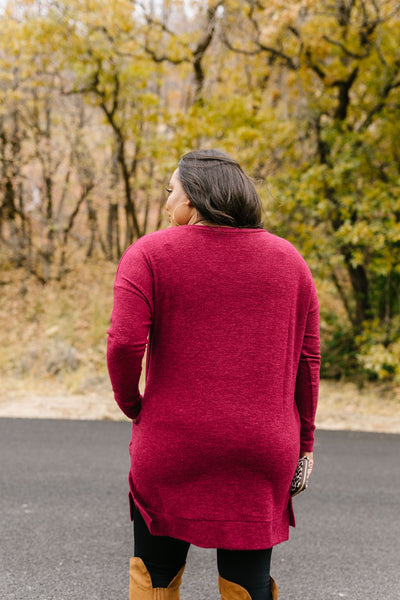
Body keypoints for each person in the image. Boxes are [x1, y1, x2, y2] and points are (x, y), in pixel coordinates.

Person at [107, 149, 320, 600]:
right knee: (248, 583)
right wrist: (304, 445)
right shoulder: (290, 262)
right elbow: (307, 361)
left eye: (171, 191)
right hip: (262, 447)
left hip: (173, 442)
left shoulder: (149, 254)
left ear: (194, 198)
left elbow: (125, 344)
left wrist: (132, 405)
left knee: (155, 574)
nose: (166, 204)